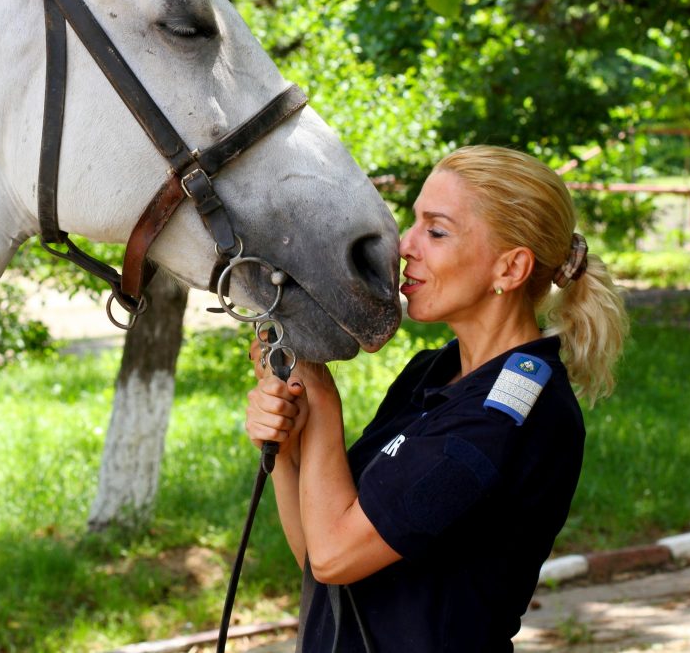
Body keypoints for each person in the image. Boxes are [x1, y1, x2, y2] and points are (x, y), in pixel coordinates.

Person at [245, 145, 628, 652]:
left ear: (510, 269)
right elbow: (319, 560)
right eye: (414, 223)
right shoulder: (434, 372)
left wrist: (321, 394)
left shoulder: (506, 416)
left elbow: (335, 554)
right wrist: (290, 445)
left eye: (437, 231)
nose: (405, 245)